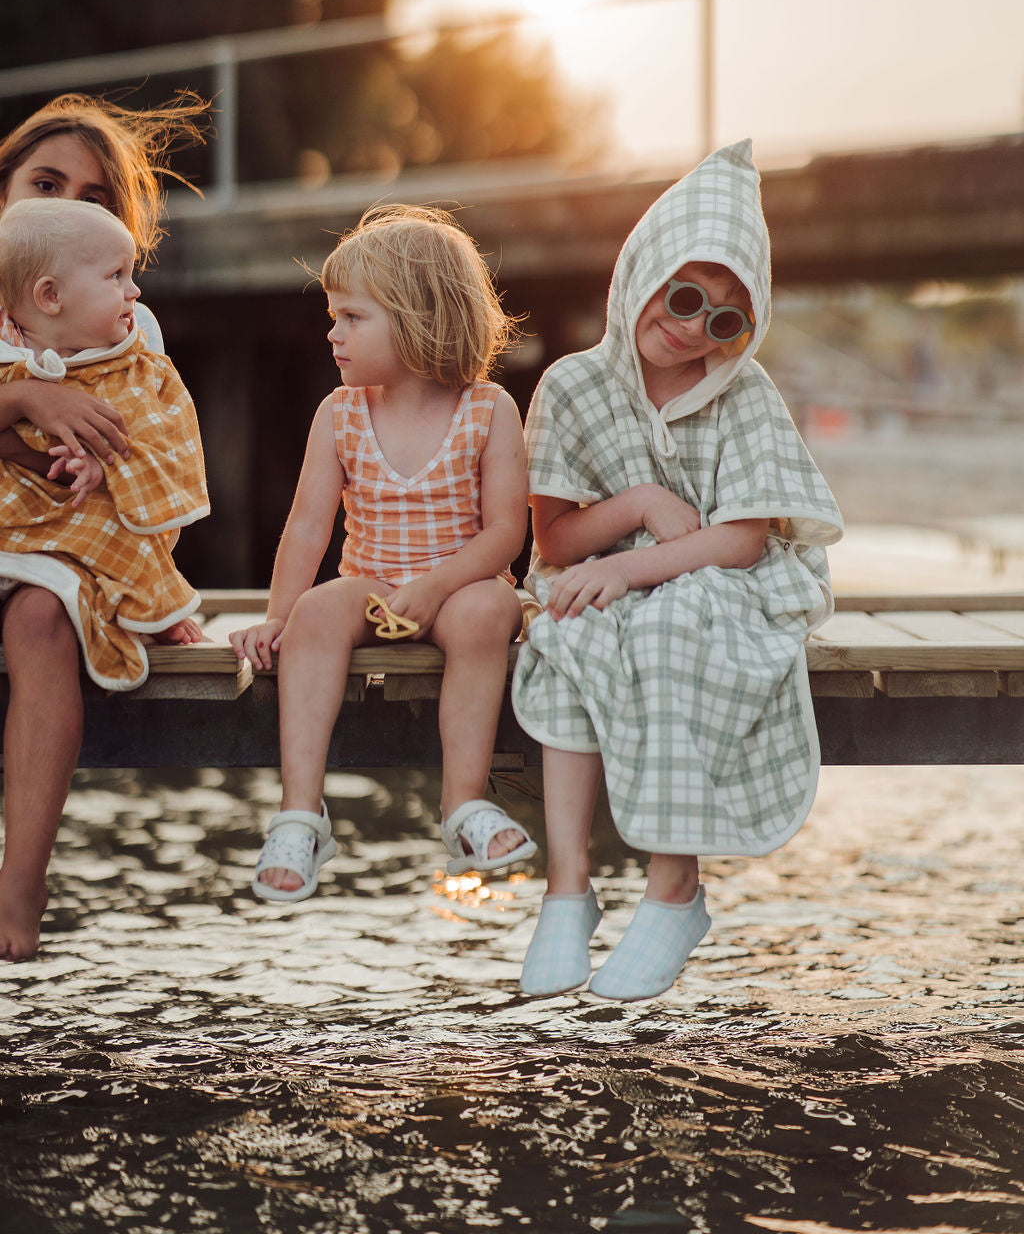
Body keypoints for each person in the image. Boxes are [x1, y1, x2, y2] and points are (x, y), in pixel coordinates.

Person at [511, 139, 843, 1002]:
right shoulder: (573, 385)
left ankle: (673, 886)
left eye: (724, 318)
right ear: (646, 270)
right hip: (597, 575)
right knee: (563, 637)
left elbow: (741, 539)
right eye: (686, 294)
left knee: (669, 627)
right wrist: (637, 507)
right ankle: (569, 887)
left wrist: (642, 570)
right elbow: (555, 544)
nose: (693, 326)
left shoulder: (745, 394)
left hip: (718, 580)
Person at [230, 205, 537, 903]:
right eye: (333, 317)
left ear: (418, 315)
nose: (332, 333)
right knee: (316, 613)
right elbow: (308, 527)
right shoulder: (338, 412)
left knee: (491, 608)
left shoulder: (489, 409)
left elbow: (504, 535)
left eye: (352, 318)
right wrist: (280, 616)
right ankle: (300, 814)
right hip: (370, 585)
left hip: (461, 586)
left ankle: (463, 804)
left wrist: (437, 585)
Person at [0, 91, 207, 961]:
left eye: (92, 200)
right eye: (45, 183)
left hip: (61, 541)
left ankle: (20, 890)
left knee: (42, 616)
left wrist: (84, 449)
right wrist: (25, 395)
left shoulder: (125, 327)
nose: (64, 206)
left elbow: (152, 443)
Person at [0, 198, 209, 686]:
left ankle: (148, 604)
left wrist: (106, 466)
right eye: (117, 276)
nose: (134, 290)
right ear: (50, 296)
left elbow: (153, 432)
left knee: (113, 525)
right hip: (13, 522)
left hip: (74, 526)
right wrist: (26, 397)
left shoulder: (130, 358)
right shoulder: (8, 352)